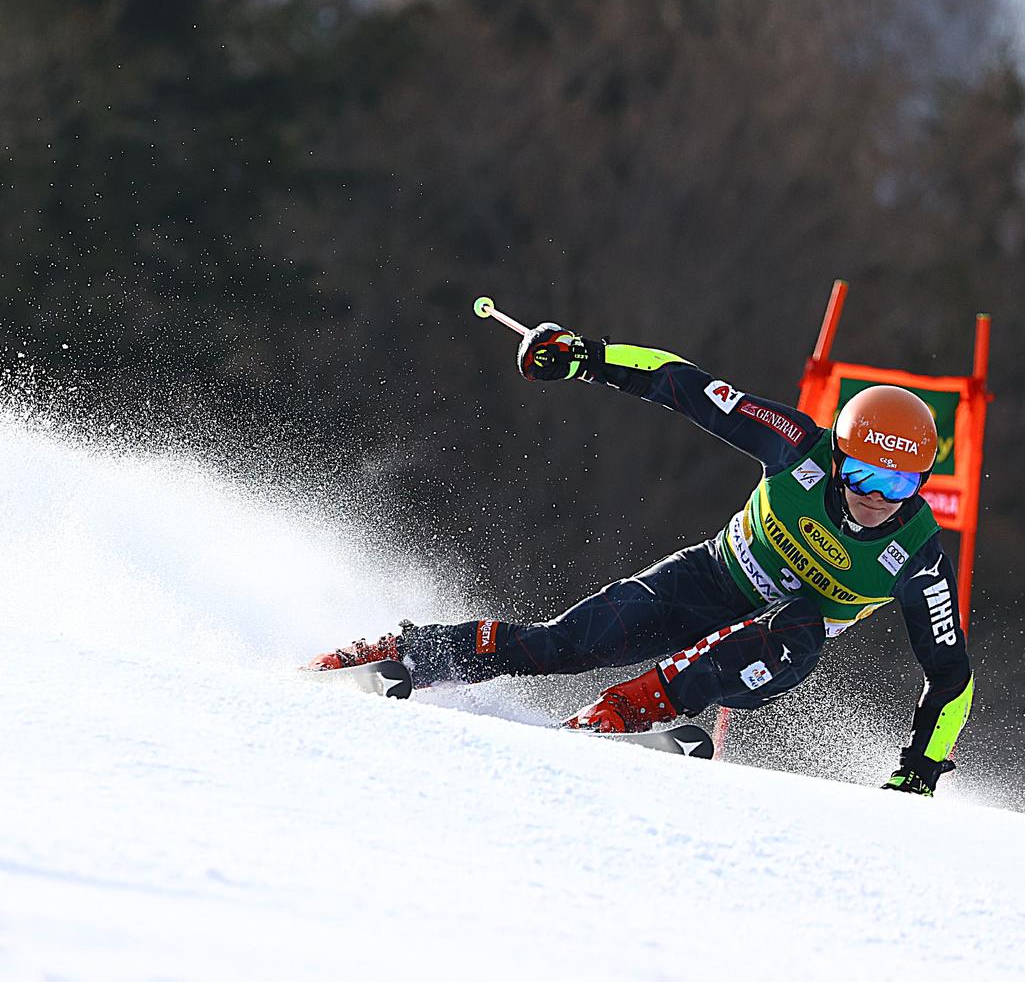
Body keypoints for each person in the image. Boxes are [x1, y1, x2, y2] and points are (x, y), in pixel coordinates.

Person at [310, 322, 974, 796]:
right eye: (864, 474)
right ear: (837, 456)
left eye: (900, 483)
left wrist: (917, 771)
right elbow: (684, 384)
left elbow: (950, 676)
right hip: (710, 577)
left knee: (798, 622)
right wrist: (586, 357)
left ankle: (623, 713)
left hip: (772, 651)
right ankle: (405, 651)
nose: (877, 499)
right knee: (566, 643)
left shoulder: (914, 554)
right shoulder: (796, 445)